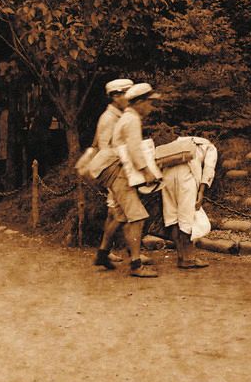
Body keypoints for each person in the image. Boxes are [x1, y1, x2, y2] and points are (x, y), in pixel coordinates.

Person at [101, 82, 162, 278]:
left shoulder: (126, 117)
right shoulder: (132, 119)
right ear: (140, 102)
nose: (151, 107)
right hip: (121, 175)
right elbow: (134, 149)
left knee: (120, 215)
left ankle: (102, 254)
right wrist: (147, 172)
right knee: (137, 217)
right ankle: (136, 265)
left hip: (118, 173)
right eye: (149, 103)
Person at [91, 78, 133, 269]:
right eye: (126, 95)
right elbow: (104, 148)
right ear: (116, 96)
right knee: (123, 212)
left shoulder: (119, 115)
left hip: (119, 169)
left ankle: (105, 252)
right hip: (115, 170)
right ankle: (130, 253)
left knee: (114, 212)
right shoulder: (109, 118)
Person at [159, 135, 217, 270]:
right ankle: (189, 258)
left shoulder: (177, 142)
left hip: (167, 175)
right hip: (186, 176)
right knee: (187, 218)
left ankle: (181, 256)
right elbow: (209, 168)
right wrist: (201, 191)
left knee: (173, 217)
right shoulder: (209, 146)